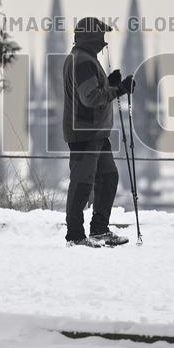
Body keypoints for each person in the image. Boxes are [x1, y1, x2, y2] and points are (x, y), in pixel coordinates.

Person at [62, 17, 134, 247]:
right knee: (82, 183)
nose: (104, 41)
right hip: (85, 132)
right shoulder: (83, 61)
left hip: (96, 133)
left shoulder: (83, 58)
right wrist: (118, 90)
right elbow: (90, 98)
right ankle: (75, 235)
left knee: (108, 177)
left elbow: (91, 90)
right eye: (101, 35)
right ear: (91, 37)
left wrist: (109, 84)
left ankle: (99, 229)